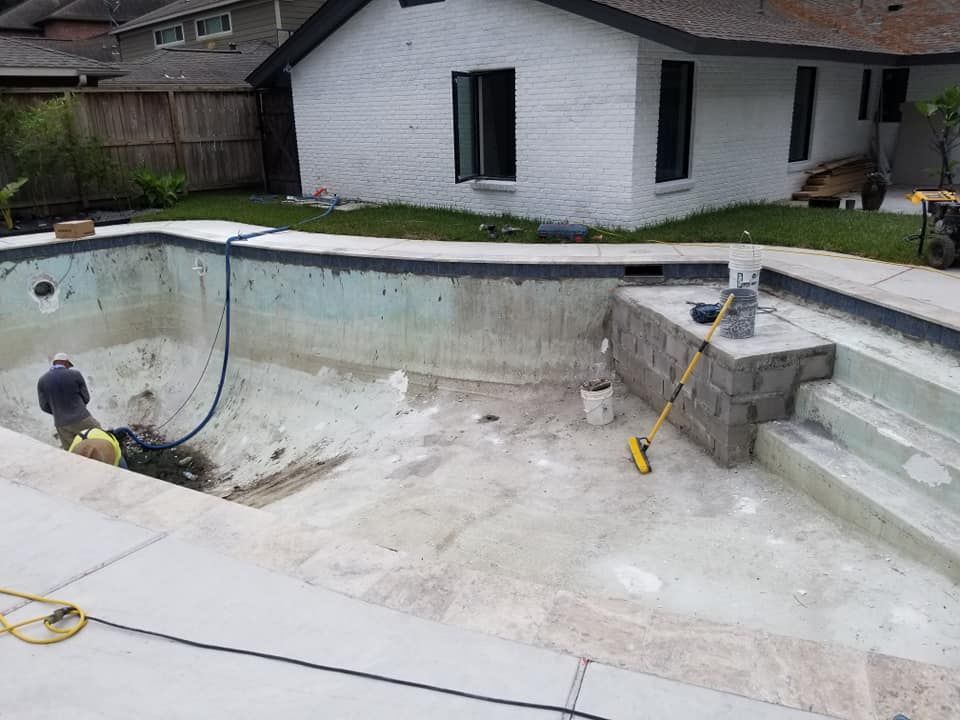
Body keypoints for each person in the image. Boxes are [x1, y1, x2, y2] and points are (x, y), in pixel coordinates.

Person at [37, 352, 101, 449]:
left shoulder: (42, 380)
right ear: (65, 363)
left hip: (62, 425)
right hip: (82, 418)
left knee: (73, 453)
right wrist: (77, 408)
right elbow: (86, 398)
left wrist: (58, 412)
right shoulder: (75, 374)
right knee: (103, 438)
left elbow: (44, 406)